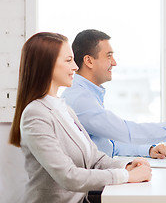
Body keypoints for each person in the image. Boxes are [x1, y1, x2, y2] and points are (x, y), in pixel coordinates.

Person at [9, 32, 152, 203]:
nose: (76, 67)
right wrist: (126, 175)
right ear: (47, 65)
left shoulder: (64, 108)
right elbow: (68, 176)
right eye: (68, 60)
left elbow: (94, 158)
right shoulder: (35, 115)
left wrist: (126, 166)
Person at [62, 29, 166, 159]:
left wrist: (149, 149)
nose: (114, 62)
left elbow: (108, 145)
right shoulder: (80, 99)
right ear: (89, 61)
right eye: (109, 56)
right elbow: (128, 132)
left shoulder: (86, 93)